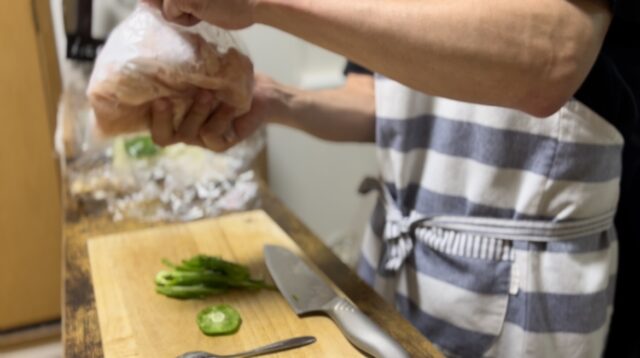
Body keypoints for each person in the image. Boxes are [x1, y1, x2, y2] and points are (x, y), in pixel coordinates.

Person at [144, 0, 639, 356]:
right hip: (392, 265)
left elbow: (549, 57)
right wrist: (277, 101)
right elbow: (381, 96)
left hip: (530, 293)